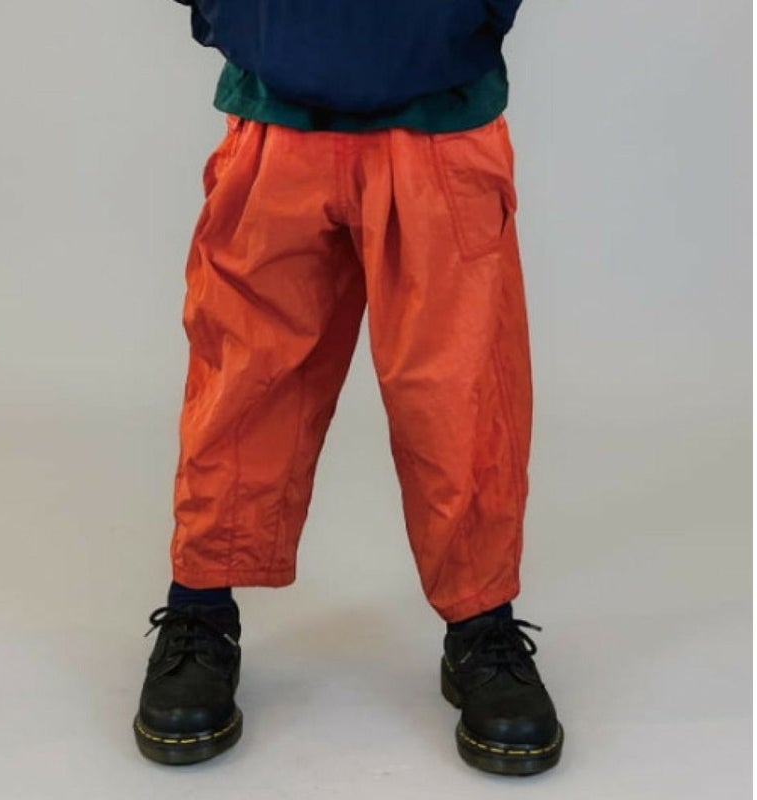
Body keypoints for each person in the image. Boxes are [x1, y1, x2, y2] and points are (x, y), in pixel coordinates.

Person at [133, 0, 564, 776]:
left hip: (441, 121)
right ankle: (201, 606)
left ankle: (481, 623)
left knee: (461, 394)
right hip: (275, 117)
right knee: (242, 383)